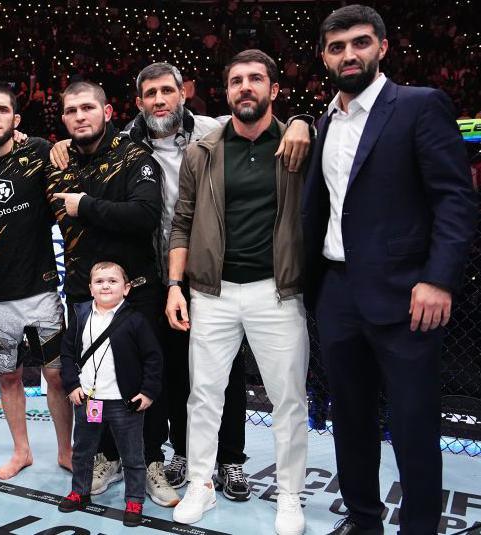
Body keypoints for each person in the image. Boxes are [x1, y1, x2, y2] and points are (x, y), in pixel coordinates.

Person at [52, 62, 311, 506]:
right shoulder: (125, 139)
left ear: (182, 93)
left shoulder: (214, 128)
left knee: (223, 373)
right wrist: (61, 142)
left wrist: (303, 121)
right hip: (155, 271)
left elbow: (261, 118)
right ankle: (173, 455)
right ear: (135, 103)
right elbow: (84, 136)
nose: (159, 101)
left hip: (210, 265)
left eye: (166, 91)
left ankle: (230, 458)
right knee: (168, 369)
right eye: (150, 93)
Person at [302, 6, 478, 534]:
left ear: (382, 47)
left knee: (413, 424)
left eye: (359, 43)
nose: (348, 54)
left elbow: (455, 200)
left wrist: (439, 277)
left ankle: (420, 526)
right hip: (336, 293)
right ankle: (362, 519)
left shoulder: (420, 106)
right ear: (324, 56)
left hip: (409, 295)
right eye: (337, 47)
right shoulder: (323, 120)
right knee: (350, 421)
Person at [168, 50, 309, 535]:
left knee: (288, 399)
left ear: (273, 89)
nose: (244, 87)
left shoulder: (296, 144)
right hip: (212, 292)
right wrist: (174, 286)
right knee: (203, 396)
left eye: (254, 79)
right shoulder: (202, 150)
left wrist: (304, 122)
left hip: (278, 293)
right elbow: (182, 222)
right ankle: (200, 486)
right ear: (226, 92)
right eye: (235, 81)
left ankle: (290, 496)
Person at [46, 80, 163, 497]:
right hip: (82, 296)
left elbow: (147, 214)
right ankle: (106, 456)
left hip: (135, 293)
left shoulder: (135, 156)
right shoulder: (58, 160)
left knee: (140, 379)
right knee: (93, 379)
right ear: (63, 118)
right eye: (71, 110)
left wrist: (86, 205)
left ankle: (150, 461)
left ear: (108, 111)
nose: (80, 116)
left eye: (88, 108)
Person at [0, 82, 72, 479]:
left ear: (15, 119)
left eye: (3, 110)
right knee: (8, 376)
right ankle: (22, 452)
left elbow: (67, 151)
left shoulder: (37, 152)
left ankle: (66, 450)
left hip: (41, 290)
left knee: (56, 374)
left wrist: (43, 139)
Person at [57, 262, 162, 528]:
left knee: (133, 456)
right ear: (90, 288)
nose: (106, 285)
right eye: (100, 281)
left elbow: (153, 358)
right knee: (83, 452)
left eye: (113, 281)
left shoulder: (136, 321)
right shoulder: (80, 316)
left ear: (126, 289)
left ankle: (134, 500)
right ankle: (80, 491)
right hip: (89, 401)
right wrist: (71, 385)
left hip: (125, 404)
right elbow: (67, 354)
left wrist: (148, 392)